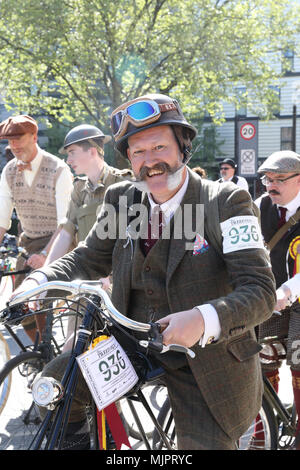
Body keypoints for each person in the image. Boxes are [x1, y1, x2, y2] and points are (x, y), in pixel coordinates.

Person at [12, 94, 275, 450]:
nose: (150, 161)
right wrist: (38, 281)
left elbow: (259, 290)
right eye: (138, 152)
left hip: (205, 359)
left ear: (183, 148)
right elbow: (88, 256)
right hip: (132, 345)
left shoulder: (225, 202)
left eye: (159, 147)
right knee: (55, 389)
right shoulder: (122, 199)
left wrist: (203, 318)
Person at [0, 114, 73, 341]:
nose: (14, 145)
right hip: (28, 243)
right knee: (17, 307)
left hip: (59, 242)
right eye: (9, 140)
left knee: (40, 301)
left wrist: (45, 255)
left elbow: (66, 222)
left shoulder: (58, 169)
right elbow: (2, 219)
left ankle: (49, 361)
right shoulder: (9, 171)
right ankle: (39, 355)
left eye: (18, 138)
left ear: (34, 137)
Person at [254, 150, 300, 448]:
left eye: (279, 179)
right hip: (270, 300)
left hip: (295, 300)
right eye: (267, 179)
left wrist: (288, 291)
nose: (271, 186)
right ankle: (261, 436)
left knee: (299, 362)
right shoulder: (259, 207)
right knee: (258, 362)